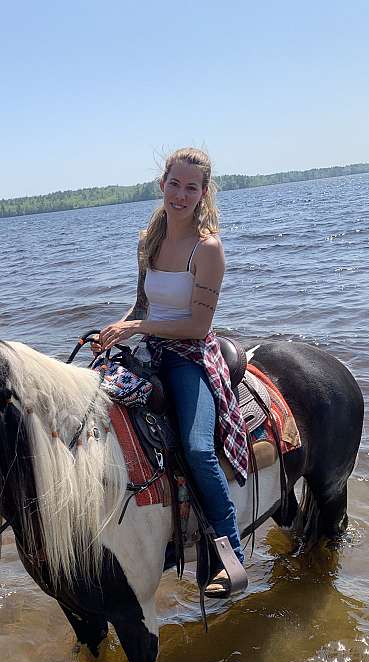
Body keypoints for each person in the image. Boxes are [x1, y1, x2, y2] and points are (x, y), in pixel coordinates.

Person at [93, 147, 249, 595]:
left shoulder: (208, 248)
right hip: (150, 349)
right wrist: (118, 330)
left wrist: (139, 326)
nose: (181, 194)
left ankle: (230, 556)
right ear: (162, 185)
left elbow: (199, 326)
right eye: (174, 184)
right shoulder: (149, 240)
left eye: (191, 187)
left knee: (198, 449)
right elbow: (144, 304)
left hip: (188, 356)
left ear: (203, 193)